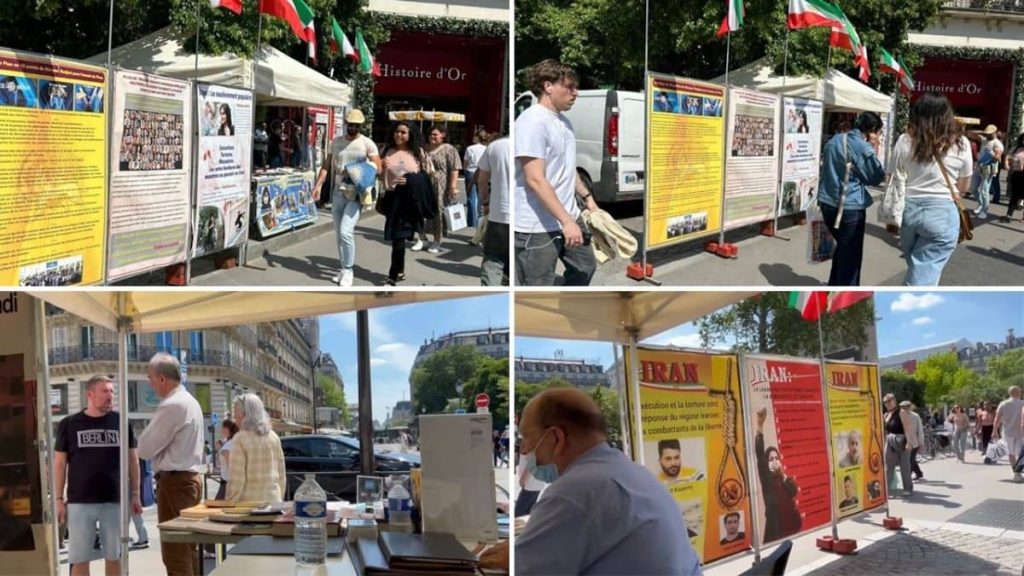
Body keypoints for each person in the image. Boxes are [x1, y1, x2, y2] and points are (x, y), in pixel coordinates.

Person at [516, 388, 702, 575]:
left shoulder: (572, 493)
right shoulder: (635, 472)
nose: (524, 450)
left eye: (526, 437)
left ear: (556, 438)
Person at [514, 59, 598, 286]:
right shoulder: (532, 121)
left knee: (585, 267)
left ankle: (564, 306)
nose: (575, 93)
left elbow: (567, 169)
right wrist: (566, 221)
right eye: (569, 87)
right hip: (536, 225)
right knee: (537, 284)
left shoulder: (564, 123)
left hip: (568, 215)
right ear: (548, 86)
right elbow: (535, 178)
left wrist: (588, 199)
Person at [54, 375, 140, 576]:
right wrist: (58, 499)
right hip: (80, 501)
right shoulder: (70, 423)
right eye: (105, 391)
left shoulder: (120, 422)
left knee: (114, 555)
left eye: (112, 391)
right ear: (90, 394)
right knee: (79, 557)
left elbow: (133, 460)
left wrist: (135, 493)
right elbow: (59, 464)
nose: (110, 396)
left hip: (113, 500)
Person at [889, 93, 972, 286]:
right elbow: (964, 186)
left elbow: (892, 177)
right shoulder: (961, 143)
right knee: (922, 274)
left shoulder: (904, 140)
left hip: (908, 210)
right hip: (942, 211)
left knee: (918, 268)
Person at [137, 353, 205, 576]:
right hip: (186, 480)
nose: (150, 383)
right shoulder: (190, 401)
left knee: (175, 553)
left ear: (162, 378)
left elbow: (145, 448)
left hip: (176, 483)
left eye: (151, 378)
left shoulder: (173, 405)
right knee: (187, 549)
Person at [313, 109, 381, 287]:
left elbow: (378, 168)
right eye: (350, 125)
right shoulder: (335, 142)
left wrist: (356, 169)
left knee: (345, 231)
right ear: (345, 123)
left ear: (360, 126)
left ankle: (349, 270)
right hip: (338, 190)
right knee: (338, 234)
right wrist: (318, 185)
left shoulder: (367, 143)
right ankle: (343, 268)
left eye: (356, 126)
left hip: (356, 192)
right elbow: (326, 166)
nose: (352, 128)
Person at [817, 111, 886, 286]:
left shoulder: (834, 140)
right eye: (877, 132)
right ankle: (845, 294)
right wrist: (872, 150)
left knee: (842, 250)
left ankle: (833, 286)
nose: (878, 137)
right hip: (849, 208)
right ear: (870, 130)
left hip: (827, 204)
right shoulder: (861, 147)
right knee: (851, 258)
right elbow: (876, 177)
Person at [378, 121, 434, 286]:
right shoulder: (386, 151)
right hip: (392, 198)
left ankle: (392, 275)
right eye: (397, 132)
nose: (399, 135)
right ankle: (400, 270)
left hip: (410, 200)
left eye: (403, 132)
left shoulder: (418, 153)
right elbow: (378, 175)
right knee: (397, 238)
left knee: (399, 237)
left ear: (410, 135)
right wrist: (380, 167)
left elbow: (428, 177)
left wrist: (410, 180)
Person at [227, 394, 287, 503]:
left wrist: (231, 501)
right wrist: (279, 497)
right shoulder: (274, 437)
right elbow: (281, 474)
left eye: (236, 413)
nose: (234, 418)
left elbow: (237, 478)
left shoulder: (240, 439)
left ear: (246, 414)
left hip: (248, 506)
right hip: (273, 502)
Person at [754, 408, 801, 542]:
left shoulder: (783, 477)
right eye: (771, 459)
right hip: (776, 530)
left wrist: (784, 476)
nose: (774, 461)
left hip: (792, 527)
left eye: (776, 458)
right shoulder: (766, 479)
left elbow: (793, 492)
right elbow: (759, 453)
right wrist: (760, 425)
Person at [417, 127, 462, 254]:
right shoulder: (424, 148)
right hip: (424, 183)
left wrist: (453, 187)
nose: (432, 136)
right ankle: (422, 238)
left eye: (435, 134)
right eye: (430, 134)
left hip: (440, 186)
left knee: (438, 212)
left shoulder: (449, 149)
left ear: (443, 135)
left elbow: (454, 169)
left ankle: (437, 240)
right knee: (420, 211)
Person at [477, 133, 511, 285]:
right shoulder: (538, 145)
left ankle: (490, 295)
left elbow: (482, 181)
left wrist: (485, 204)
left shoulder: (495, 147)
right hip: (527, 220)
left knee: (493, 259)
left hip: (499, 215)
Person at [882, 394, 917, 496]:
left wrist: (909, 443)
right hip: (889, 440)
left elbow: (908, 428)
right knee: (888, 465)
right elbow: (885, 431)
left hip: (902, 440)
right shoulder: (885, 415)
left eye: (889, 400)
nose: (887, 403)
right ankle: (887, 490)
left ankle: (908, 488)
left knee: (904, 465)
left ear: (894, 400)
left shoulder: (901, 413)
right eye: (885, 402)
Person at [992, 386, 1024, 482]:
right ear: (1019, 393)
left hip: (1007, 432)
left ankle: (1016, 473)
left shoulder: (1003, 404)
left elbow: (997, 418)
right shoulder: (1023, 403)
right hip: (1020, 432)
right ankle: (1018, 471)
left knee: (1011, 453)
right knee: (1020, 453)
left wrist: (994, 430)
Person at [975, 124, 1003, 219]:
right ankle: (981, 204)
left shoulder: (997, 143)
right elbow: (971, 133)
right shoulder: (985, 140)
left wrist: (991, 153)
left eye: (989, 133)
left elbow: (998, 158)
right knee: (973, 188)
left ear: (994, 133)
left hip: (988, 169)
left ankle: (984, 211)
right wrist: (982, 132)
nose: (987, 135)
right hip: (979, 167)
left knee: (984, 191)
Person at [463, 128, 488, 228]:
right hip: (483, 173)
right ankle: (480, 223)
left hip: (471, 171)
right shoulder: (487, 149)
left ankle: (471, 222)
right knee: (482, 199)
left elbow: (465, 163)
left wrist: (466, 171)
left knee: (471, 198)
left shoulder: (470, 148)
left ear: (477, 137)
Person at [1000, 133, 1024, 223]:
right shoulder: (1016, 148)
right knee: (1014, 195)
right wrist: (1006, 164)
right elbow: (1007, 156)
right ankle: (1008, 215)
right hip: (1016, 174)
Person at [215, 419, 240, 500]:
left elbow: (231, 465)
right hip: (229, 482)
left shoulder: (228, 445)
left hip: (227, 483)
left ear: (226, 429)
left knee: (217, 508)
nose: (220, 430)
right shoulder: (233, 442)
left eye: (222, 427)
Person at [908, 403, 926, 481]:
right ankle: (919, 473)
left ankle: (908, 476)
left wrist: (921, 443)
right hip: (906, 442)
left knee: (911, 459)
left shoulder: (915, 416)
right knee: (911, 459)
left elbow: (920, 430)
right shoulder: (901, 416)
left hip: (915, 442)